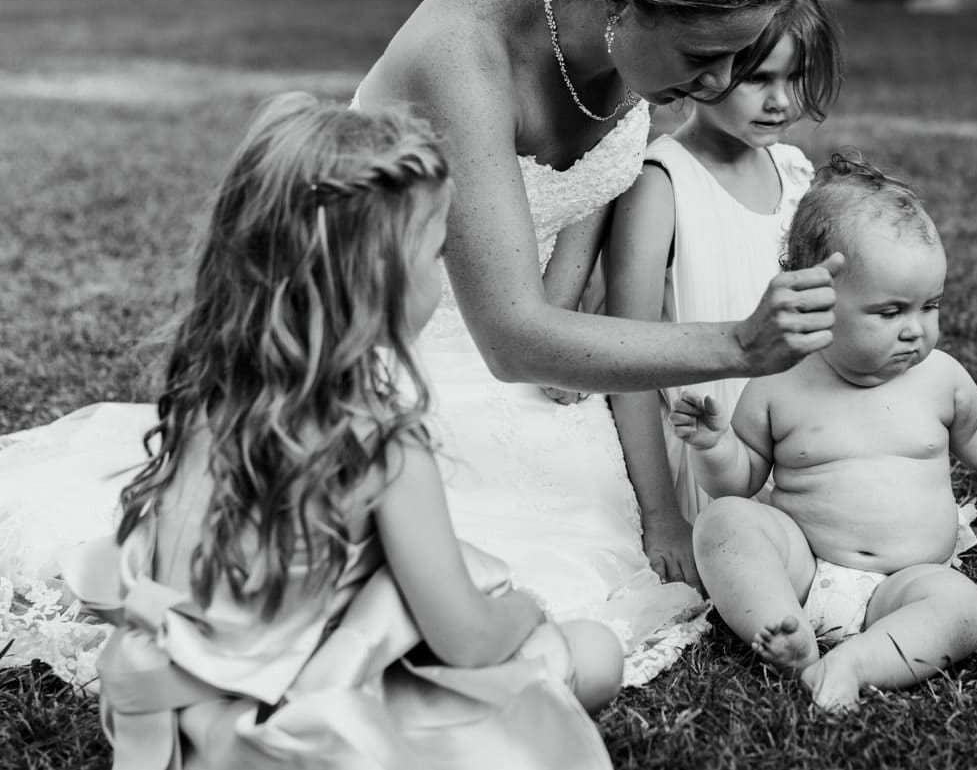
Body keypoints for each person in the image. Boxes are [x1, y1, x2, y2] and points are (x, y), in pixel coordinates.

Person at [0, 0, 839, 688]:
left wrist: (566, 306)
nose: (722, 84)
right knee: (523, 589)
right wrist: (736, 344)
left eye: (741, 53)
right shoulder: (462, 52)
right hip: (378, 342)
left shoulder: (643, 41)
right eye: (708, 58)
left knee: (628, 519)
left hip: (512, 339)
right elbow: (511, 340)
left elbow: (599, 163)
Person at [60, 93, 621, 768]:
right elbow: (466, 638)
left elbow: (185, 599)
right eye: (434, 251)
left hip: (187, 713)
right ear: (375, 279)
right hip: (310, 729)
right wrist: (526, 610)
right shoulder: (382, 442)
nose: (440, 276)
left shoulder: (212, 406)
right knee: (592, 652)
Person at [671, 155, 977, 712]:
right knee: (723, 523)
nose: (916, 329)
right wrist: (713, 444)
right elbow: (740, 481)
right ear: (815, 302)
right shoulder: (780, 383)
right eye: (891, 311)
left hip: (907, 581)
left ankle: (858, 661)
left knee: (965, 608)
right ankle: (784, 624)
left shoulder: (939, 377)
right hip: (806, 566)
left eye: (930, 305)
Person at [603, 0, 842, 590]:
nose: (782, 102)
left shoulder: (793, 172)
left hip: (793, 444)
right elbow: (628, 366)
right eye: (759, 78)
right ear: (707, 68)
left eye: (794, 77)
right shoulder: (662, 185)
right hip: (703, 445)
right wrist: (661, 518)